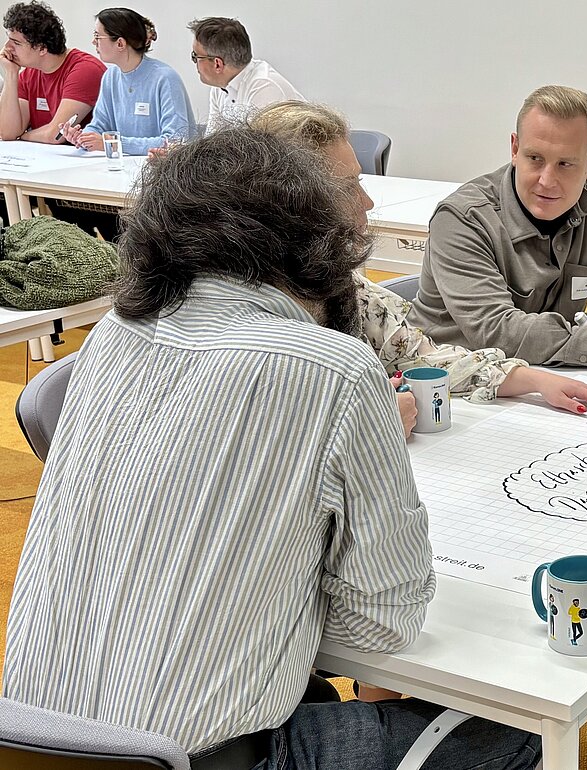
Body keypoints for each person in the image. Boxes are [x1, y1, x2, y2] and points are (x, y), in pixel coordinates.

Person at [1, 128, 540, 770]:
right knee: (514, 733)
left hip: (31, 742)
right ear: (316, 243)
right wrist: (270, 601)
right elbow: (383, 626)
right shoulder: (335, 369)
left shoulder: (114, 333)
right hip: (205, 759)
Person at [248, 100, 587, 416]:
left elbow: (418, 355)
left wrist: (533, 379)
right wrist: (370, 421)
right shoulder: (242, 313)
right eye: (346, 188)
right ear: (289, 203)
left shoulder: (344, 289)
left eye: (359, 183)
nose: (366, 202)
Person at [408, 84, 587, 367]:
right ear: (515, 149)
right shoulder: (462, 219)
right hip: (448, 383)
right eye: (535, 158)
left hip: (548, 380)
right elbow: (497, 332)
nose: (547, 181)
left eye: (565, 164)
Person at [61, 8, 194, 155]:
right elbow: (99, 125)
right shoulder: (110, 77)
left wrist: (115, 144)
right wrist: (83, 138)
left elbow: (176, 141)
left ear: (120, 43)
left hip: (161, 167)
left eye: (97, 36)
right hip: (122, 164)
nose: (93, 42)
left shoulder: (165, 78)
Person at [0, 0, 105, 142]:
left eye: (16, 43)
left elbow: (55, 135)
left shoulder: (85, 70)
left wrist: (22, 135)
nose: (7, 47)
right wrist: (11, 74)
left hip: (82, 154)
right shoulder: (29, 73)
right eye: (9, 40)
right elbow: (7, 133)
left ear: (42, 48)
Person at [188, 16, 302, 131]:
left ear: (217, 64)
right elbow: (213, 138)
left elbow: (258, 142)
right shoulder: (220, 87)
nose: (194, 61)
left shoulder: (265, 88)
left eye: (195, 56)